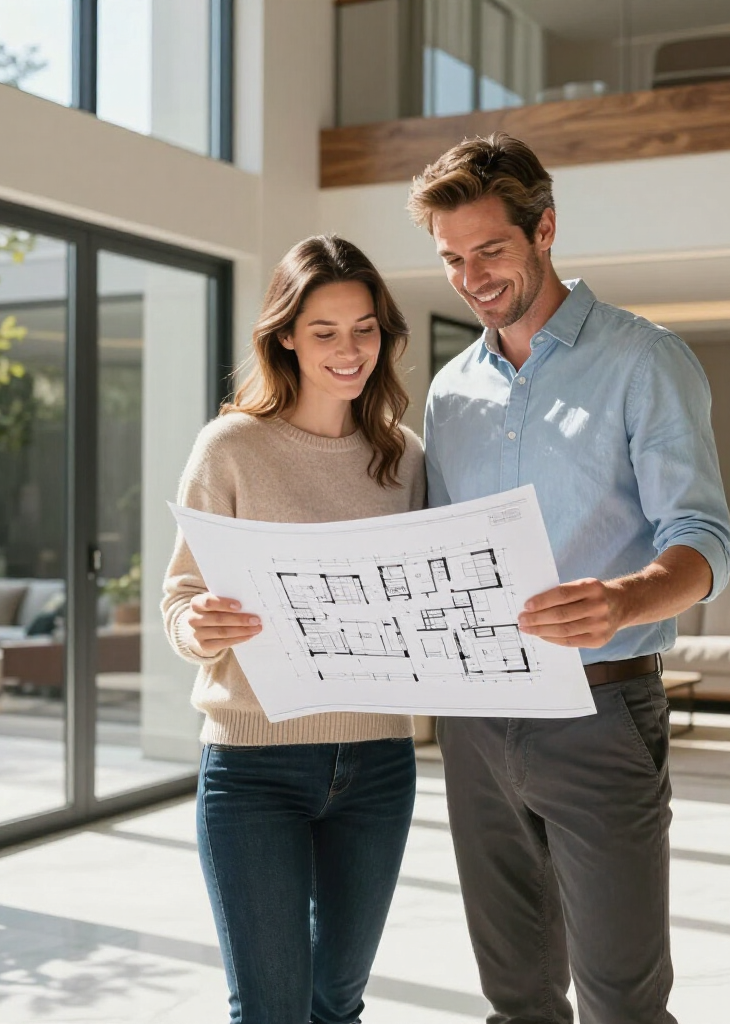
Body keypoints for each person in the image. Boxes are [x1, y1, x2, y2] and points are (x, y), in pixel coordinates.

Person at [410, 133, 730, 1024]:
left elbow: (705, 539)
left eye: (490, 250)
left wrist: (625, 598)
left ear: (544, 228)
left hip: (601, 714)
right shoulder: (449, 392)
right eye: (451, 260)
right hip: (475, 722)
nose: (472, 277)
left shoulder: (643, 360)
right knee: (515, 996)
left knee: (623, 1004)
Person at [161, 235, 425, 1024]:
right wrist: (200, 626)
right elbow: (181, 595)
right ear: (285, 336)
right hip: (252, 769)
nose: (350, 350)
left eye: (365, 328)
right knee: (270, 1010)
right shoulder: (231, 447)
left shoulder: (403, 457)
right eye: (324, 331)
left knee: (337, 1002)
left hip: (379, 763)